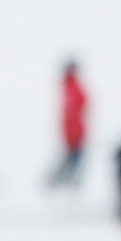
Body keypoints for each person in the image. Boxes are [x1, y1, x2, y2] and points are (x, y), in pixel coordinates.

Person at [50, 59, 88, 187]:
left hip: (75, 131)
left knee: (73, 159)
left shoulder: (70, 86)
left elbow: (82, 104)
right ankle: (61, 182)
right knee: (72, 159)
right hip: (73, 132)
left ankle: (62, 182)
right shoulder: (70, 87)